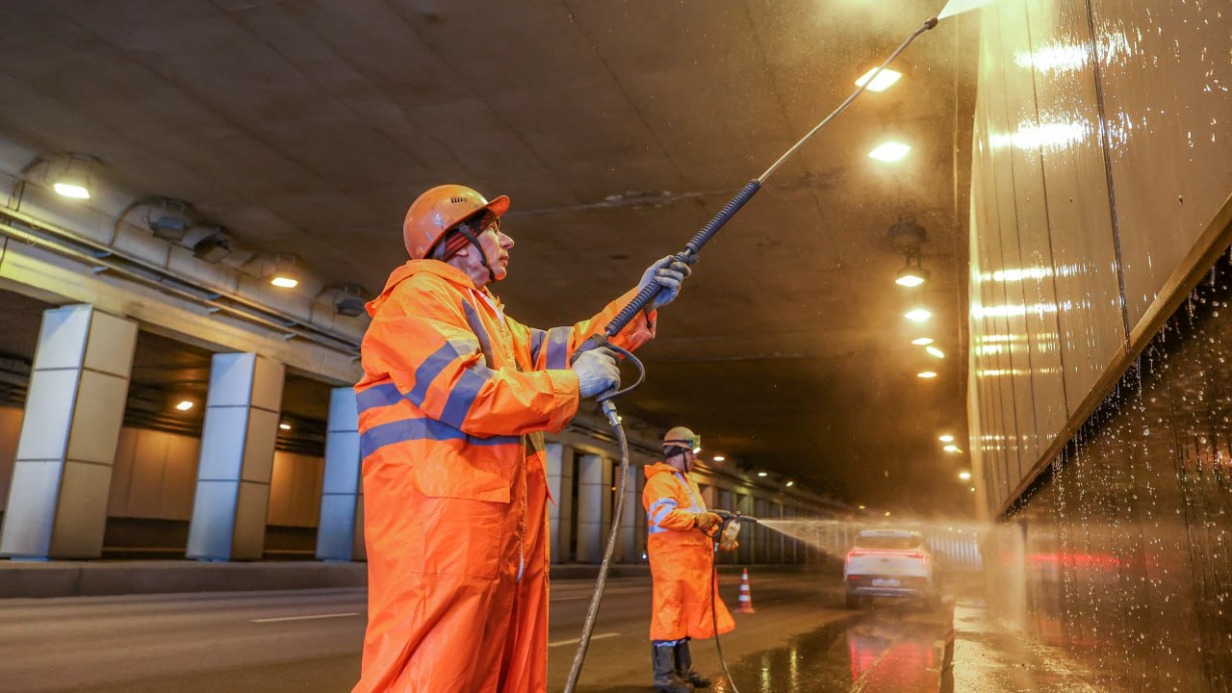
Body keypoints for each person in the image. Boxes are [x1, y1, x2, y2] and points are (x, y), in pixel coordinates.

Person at [353, 184, 691, 692]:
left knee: (492, 669)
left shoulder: (487, 315)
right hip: (442, 528)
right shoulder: (419, 298)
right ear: (459, 240)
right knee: (430, 673)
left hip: (489, 522)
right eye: (495, 230)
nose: (507, 242)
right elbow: (465, 393)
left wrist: (638, 300)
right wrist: (575, 384)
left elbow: (568, 349)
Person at [642, 426, 736, 692]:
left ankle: (684, 671)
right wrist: (697, 519)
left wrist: (718, 536)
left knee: (683, 616)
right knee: (668, 615)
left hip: (690, 562)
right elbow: (664, 517)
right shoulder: (661, 481)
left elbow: (699, 522)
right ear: (676, 452)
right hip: (671, 561)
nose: (695, 458)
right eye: (691, 453)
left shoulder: (689, 483)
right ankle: (664, 677)